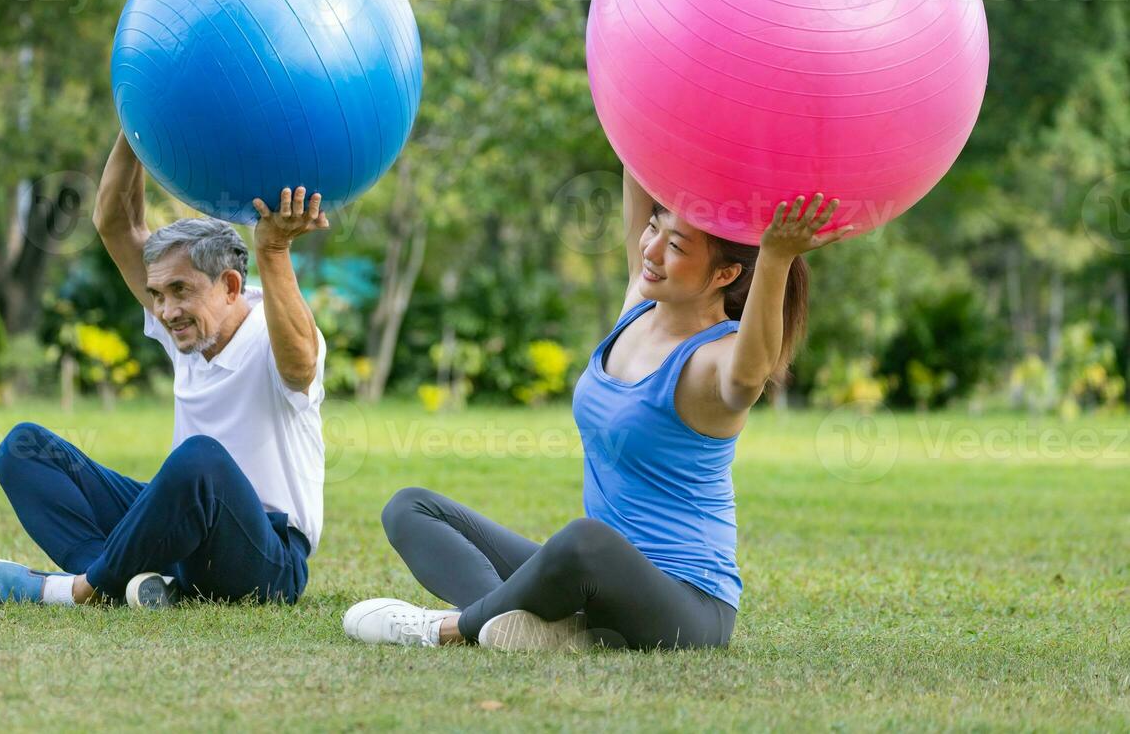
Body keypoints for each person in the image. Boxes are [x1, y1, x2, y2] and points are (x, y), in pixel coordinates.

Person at [344, 176, 852, 650]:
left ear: (724, 273)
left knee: (583, 540)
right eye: (654, 227)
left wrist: (777, 257)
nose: (650, 250)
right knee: (410, 507)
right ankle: (532, 626)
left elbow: (747, 379)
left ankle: (447, 629)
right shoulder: (639, 303)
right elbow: (635, 159)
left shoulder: (716, 358)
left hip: (688, 607)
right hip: (593, 582)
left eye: (675, 246)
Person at [0, 131, 328, 609]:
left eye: (179, 291)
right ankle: (132, 581)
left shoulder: (273, 329)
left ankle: (84, 588)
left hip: (267, 558)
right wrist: (139, 115)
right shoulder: (186, 328)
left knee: (200, 459)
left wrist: (275, 251)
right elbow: (115, 221)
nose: (165, 309)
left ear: (230, 286)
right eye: (157, 294)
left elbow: (301, 368)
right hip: (187, 531)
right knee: (23, 448)